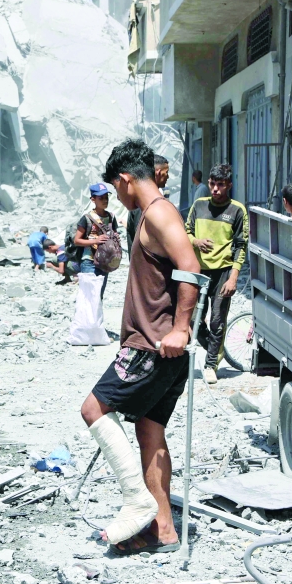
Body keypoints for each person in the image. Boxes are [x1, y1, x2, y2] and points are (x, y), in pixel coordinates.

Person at [79, 138, 200, 554]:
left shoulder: (159, 214)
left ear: (127, 179)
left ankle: (135, 502)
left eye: (116, 186)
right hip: (155, 347)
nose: (115, 194)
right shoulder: (150, 215)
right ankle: (162, 530)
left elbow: (191, 268)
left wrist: (180, 328)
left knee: (93, 409)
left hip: (153, 347)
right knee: (149, 432)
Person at [185, 164, 248, 385]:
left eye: (220, 185)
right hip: (198, 271)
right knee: (192, 320)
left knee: (217, 320)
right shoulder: (199, 205)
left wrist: (233, 277)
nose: (215, 189)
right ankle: (215, 347)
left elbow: (242, 245)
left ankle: (211, 364)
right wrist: (196, 242)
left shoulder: (237, 210)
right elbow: (186, 231)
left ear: (229, 185)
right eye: (212, 184)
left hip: (223, 272)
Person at [75, 183, 120, 300]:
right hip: (89, 261)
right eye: (101, 198)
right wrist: (95, 240)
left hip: (104, 261)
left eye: (106, 197)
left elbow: (114, 233)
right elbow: (77, 240)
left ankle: (96, 318)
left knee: (99, 295)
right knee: (89, 296)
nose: (105, 200)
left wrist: (116, 238)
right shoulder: (86, 218)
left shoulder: (111, 217)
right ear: (93, 199)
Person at [126, 155, 169, 254]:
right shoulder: (143, 201)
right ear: (158, 173)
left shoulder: (153, 198)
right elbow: (138, 236)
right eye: (166, 173)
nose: (168, 176)